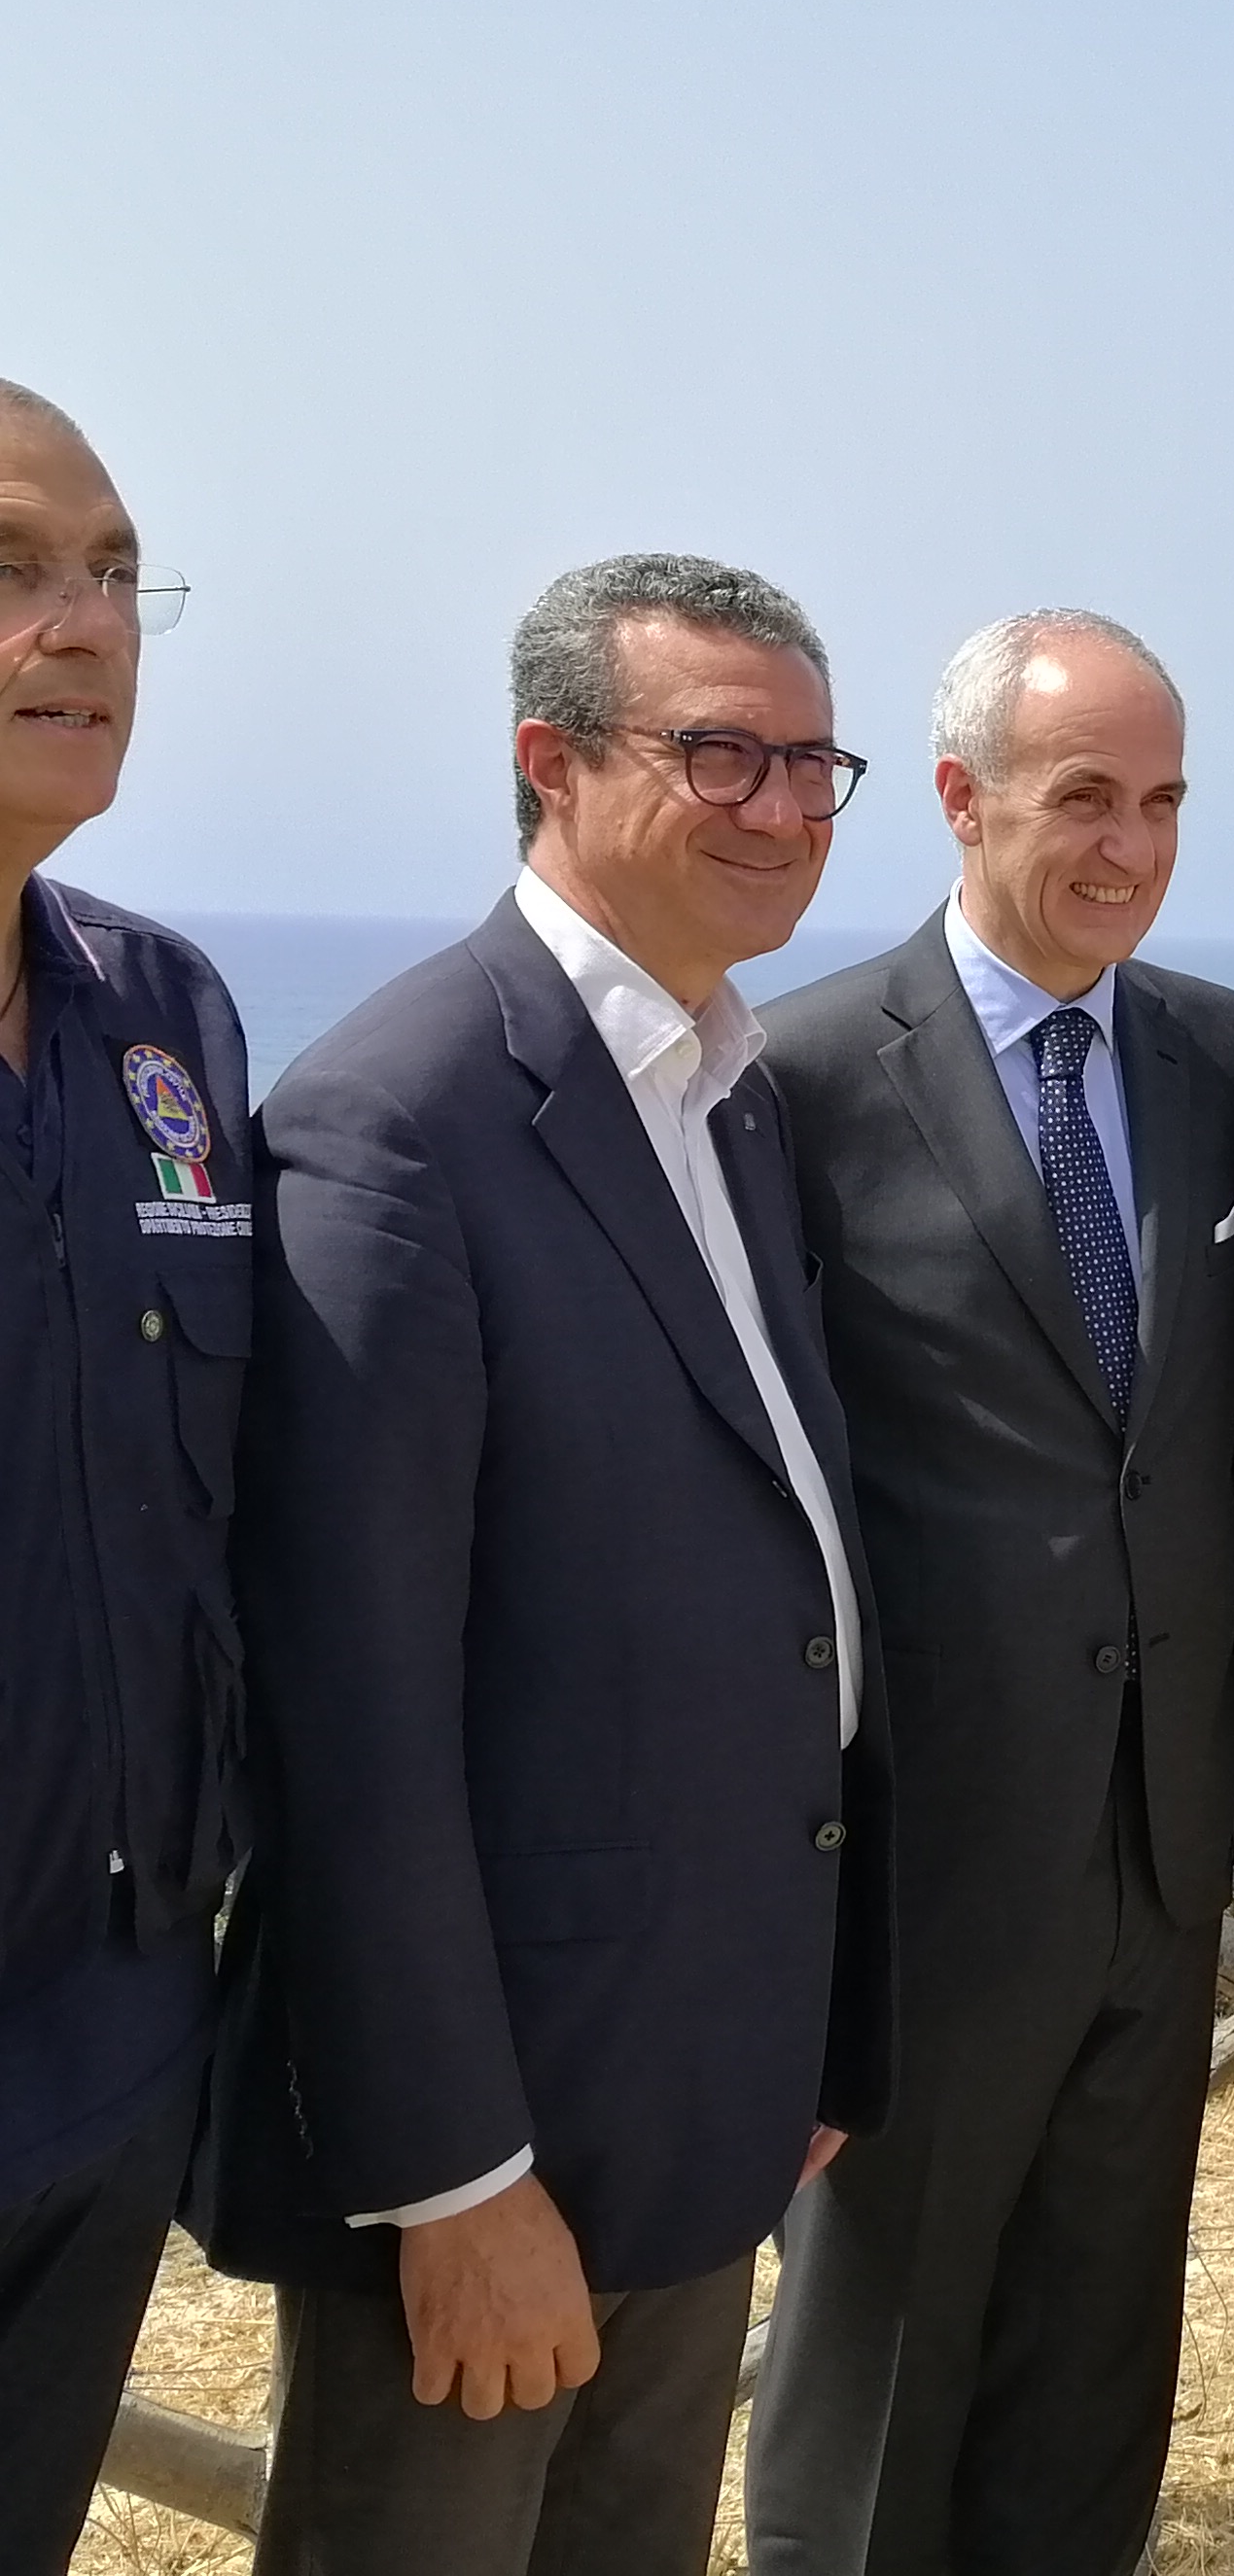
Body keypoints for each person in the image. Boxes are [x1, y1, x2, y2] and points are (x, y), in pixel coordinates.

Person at [196, 554, 896, 2576]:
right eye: (723, 756)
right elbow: (349, 1708)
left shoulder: (730, 1098)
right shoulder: (395, 1118)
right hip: (494, 2134)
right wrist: (452, 2178)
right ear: (551, 763)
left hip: (699, 2089)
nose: (785, 808)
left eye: (813, 764)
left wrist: (814, 2036)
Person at [745, 611, 1234, 2576]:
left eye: (1164, 803)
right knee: (877, 2390)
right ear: (961, 800)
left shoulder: (1232, 1061)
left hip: (1166, 1853)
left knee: (1092, 2387)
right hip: (924, 1872)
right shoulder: (798, 1076)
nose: (1130, 849)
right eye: (1083, 799)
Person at [0, 385, 242, 2576]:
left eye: (109, 573)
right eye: (8, 571)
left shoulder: (163, 1016)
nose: (80, 625)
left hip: (116, 2009)